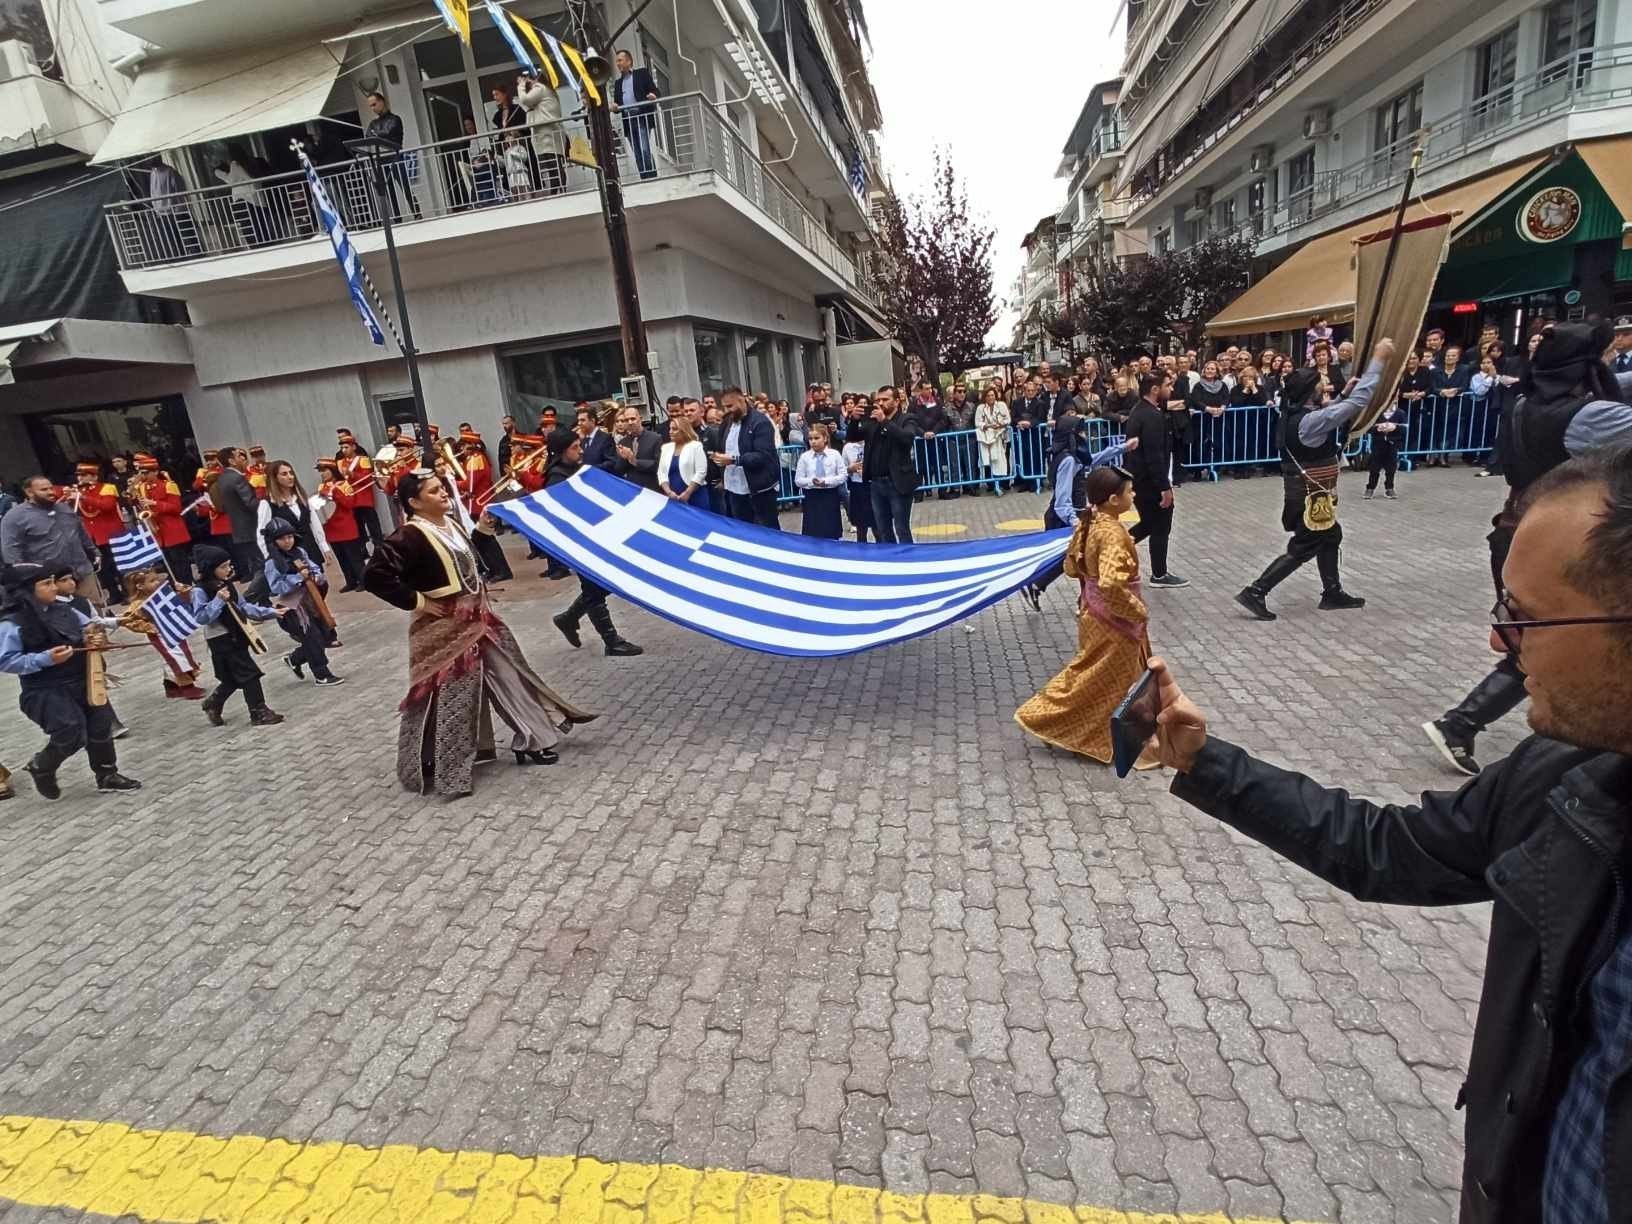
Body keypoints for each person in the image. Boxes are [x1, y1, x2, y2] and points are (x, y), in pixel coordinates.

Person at [1149, 446, 1632, 1223]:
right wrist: (1208, 763)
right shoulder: (1557, 777)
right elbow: (1389, 849)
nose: (1497, 645)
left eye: (1525, 617)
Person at [1425, 321, 1632, 776]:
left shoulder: (1523, 400)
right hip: (1563, 544)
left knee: (1537, 635)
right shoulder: (1589, 415)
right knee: (1551, 637)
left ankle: (1467, 724)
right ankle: (1463, 724)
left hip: (1517, 530)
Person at [366, 469, 596, 794]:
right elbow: (375, 576)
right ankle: (440, 764)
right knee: (452, 697)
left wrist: (482, 532)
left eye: (443, 488)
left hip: (479, 617)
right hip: (443, 628)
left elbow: (463, 561)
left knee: (513, 673)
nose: (444, 493)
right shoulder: (409, 536)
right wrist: (417, 600)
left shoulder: (451, 524)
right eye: (434, 491)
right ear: (414, 502)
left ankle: (533, 739)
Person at [1234, 340, 1393, 621]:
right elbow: (1359, 401)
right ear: (1310, 391)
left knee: (1331, 535)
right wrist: (1378, 360)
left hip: (1304, 493)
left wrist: (1342, 393)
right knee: (1304, 546)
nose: (1325, 385)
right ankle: (1256, 591)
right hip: (1310, 496)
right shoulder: (1311, 421)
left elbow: (1333, 410)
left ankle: (1332, 592)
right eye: (1321, 383)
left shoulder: (1292, 414)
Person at [1014, 467, 1157, 768]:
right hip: (1114, 622)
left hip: (1092, 612)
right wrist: (1137, 610)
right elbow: (1110, 584)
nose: (1133, 495)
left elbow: (1070, 566)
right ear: (1113, 499)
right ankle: (1044, 717)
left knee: (1100, 678)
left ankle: (1111, 734)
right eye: (1130, 491)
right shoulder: (1113, 533)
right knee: (1094, 679)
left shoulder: (1089, 523)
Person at [0, 562, 141, 799]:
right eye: (46, 583)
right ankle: (42, 766)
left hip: (82, 678)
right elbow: (6, 660)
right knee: (71, 730)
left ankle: (107, 775)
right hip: (45, 688)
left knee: (100, 725)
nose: (54, 587)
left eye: (53, 581)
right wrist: (45, 659)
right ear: (25, 590)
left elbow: (89, 627)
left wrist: (93, 637)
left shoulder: (64, 609)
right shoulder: (11, 623)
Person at [189, 544, 284, 728]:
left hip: (237, 634)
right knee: (249, 674)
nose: (228, 569)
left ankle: (214, 703)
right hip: (220, 639)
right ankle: (258, 711)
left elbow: (244, 607)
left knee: (233, 677)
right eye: (223, 567)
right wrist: (217, 600)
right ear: (210, 569)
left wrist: (270, 612)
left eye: (229, 565)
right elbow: (202, 617)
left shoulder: (228, 585)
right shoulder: (200, 590)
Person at [1122, 373, 1187, 588]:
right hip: (1149, 481)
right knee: (1161, 524)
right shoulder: (1150, 416)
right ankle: (1159, 574)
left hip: (1140, 479)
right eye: (1167, 385)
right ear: (1155, 389)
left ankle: (1116, 549)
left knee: (1149, 524)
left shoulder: (1140, 411)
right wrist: (1164, 487)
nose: (1171, 389)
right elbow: (1154, 455)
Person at [263, 522, 343, 688]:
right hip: (292, 609)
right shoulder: (272, 563)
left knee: (324, 635)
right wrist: (297, 578)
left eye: (290, 537)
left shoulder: (300, 552)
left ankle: (294, 659)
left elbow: (313, 568)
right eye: (282, 539)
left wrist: (315, 575)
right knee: (312, 638)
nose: (287, 541)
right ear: (273, 541)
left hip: (310, 602)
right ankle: (322, 674)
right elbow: (275, 587)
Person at [1, 476, 99, 602]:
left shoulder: (64, 509)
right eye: (44, 489)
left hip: (82, 572)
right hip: (50, 581)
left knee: (96, 614)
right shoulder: (14, 517)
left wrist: (95, 552)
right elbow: (11, 552)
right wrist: (25, 580)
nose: (50, 492)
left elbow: (80, 533)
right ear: (29, 492)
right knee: (65, 618)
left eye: (51, 488)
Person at [858, 385, 923, 544]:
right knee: (882, 529)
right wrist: (854, 420)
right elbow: (854, 436)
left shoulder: (907, 419)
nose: (880, 403)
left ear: (897, 401)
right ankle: (891, 563)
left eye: (885, 399)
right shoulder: (873, 420)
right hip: (876, 483)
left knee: (901, 528)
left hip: (897, 482)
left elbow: (907, 437)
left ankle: (907, 562)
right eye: (878, 400)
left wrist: (885, 422)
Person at [712, 387, 781, 528]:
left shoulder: (760, 422)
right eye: (724, 407)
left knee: (767, 531)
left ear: (741, 400)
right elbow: (721, 446)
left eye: (730, 406)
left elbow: (763, 455)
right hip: (733, 487)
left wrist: (734, 460)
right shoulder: (727, 422)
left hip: (759, 488)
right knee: (742, 531)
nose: (727, 410)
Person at [129, 454, 191, 583]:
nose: (143, 476)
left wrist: (155, 503)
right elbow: (138, 503)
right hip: (157, 531)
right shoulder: (141, 487)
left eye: (146, 473)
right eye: (141, 473)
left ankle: (187, 584)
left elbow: (176, 508)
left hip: (172, 528)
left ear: (155, 472)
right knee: (168, 563)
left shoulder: (169, 485)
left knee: (180, 562)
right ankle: (175, 585)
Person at [255, 460, 329, 565]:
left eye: (291, 473)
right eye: (284, 474)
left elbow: (314, 523)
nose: (290, 477)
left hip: (311, 550)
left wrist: (324, 546)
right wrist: (269, 557)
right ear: (275, 478)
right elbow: (262, 533)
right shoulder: (267, 503)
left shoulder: (302, 498)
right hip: (288, 556)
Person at [362, 91, 419, 222]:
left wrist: (376, 134)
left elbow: (388, 132)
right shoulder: (373, 123)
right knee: (388, 190)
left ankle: (417, 213)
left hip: (395, 157)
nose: (373, 108)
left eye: (374, 104)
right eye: (370, 106)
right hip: (381, 159)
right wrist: (376, 134)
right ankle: (397, 218)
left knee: (405, 187)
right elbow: (368, 136)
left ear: (382, 101)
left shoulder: (395, 119)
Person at [313, 459, 367, 592]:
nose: (323, 474)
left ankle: (364, 581)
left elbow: (350, 504)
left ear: (333, 471)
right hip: (331, 528)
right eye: (321, 471)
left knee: (355, 558)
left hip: (346, 527)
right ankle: (350, 581)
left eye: (325, 470)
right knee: (342, 558)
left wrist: (335, 493)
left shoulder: (344, 484)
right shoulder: (321, 487)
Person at [75, 464, 124, 604]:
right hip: (93, 535)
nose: (80, 478)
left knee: (117, 565)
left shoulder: (107, 488)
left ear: (94, 476)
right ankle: (114, 593)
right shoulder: (79, 491)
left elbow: (107, 506)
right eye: (79, 475)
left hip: (110, 533)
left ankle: (127, 591)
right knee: (102, 568)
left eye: (84, 475)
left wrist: (83, 497)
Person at [611, 49, 660, 180]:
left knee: (644, 150)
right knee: (637, 153)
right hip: (628, 119)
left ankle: (652, 178)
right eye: (617, 61)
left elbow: (655, 90)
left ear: (629, 61)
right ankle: (645, 178)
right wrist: (615, 107)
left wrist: (653, 95)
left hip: (641, 117)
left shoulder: (641, 74)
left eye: (620, 60)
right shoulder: (618, 83)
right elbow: (617, 103)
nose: (618, 64)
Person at [214, 447, 261, 583]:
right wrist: (265, 500)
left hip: (239, 528)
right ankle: (260, 592)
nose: (242, 458)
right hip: (251, 527)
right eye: (238, 456)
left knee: (255, 564)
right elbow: (251, 503)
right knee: (260, 563)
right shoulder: (238, 478)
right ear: (231, 461)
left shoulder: (222, 478)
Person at [795, 423, 847, 539]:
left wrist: (827, 481)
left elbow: (843, 475)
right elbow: (798, 480)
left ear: (825, 438)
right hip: (812, 496)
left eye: (817, 438)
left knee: (831, 531)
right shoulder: (805, 457)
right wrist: (811, 481)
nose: (813, 442)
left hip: (830, 495)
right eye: (810, 439)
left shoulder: (835, 455)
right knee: (813, 532)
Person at [517, 74, 566, 195]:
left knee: (553, 164)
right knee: (554, 164)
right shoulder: (549, 91)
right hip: (552, 132)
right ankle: (560, 190)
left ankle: (555, 192)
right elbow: (529, 107)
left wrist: (521, 85)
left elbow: (525, 100)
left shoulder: (540, 88)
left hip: (546, 133)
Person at [336, 430, 383, 554]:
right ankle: (362, 548)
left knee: (372, 523)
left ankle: (379, 546)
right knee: (358, 525)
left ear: (353, 447)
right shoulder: (340, 463)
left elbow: (367, 477)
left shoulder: (362, 459)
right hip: (351, 499)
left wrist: (352, 474)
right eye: (342, 447)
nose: (343, 450)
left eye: (346, 447)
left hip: (364, 497)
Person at [658, 415, 710, 513]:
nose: (670, 432)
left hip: (695, 495)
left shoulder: (695, 446)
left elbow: (701, 472)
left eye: (674, 429)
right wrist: (668, 491)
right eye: (670, 428)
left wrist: (687, 493)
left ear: (683, 430)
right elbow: (661, 472)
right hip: (673, 496)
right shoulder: (666, 448)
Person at [1364, 383, 1407, 500]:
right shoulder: (1376, 413)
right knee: (1374, 467)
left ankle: (1389, 488)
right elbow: (1367, 428)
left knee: (1391, 467)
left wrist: (1395, 427)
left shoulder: (1400, 413)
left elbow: (1405, 428)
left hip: (1393, 444)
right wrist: (1377, 428)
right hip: (1378, 444)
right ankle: (1370, 488)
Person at [841, 405, 874, 541]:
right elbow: (842, 470)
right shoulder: (848, 447)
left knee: (877, 524)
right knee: (861, 526)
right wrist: (851, 468)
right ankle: (862, 550)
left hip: (872, 485)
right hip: (857, 486)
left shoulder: (872, 442)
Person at [612, 406, 662, 492]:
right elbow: (619, 470)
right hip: (631, 490)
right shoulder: (622, 443)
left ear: (640, 419)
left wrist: (634, 461)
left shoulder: (655, 438)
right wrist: (623, 458)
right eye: (627, 420)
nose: (630, 422)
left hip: (652, 489)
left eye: (633, 419)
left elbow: (659, 465)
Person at [975, 386, 1011, 493]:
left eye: (992, 395)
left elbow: (1008, 419)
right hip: (986, 438)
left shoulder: (1001, 405)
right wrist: (986, 425)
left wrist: (1000, 424)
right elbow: (977, 423)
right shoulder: (981, 408)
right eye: (988, 395)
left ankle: (1002, 484)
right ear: (985, 397)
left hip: (1000, 437)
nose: (991, 397)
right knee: (988, 461)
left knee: (1001, 460)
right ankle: (991, 484)